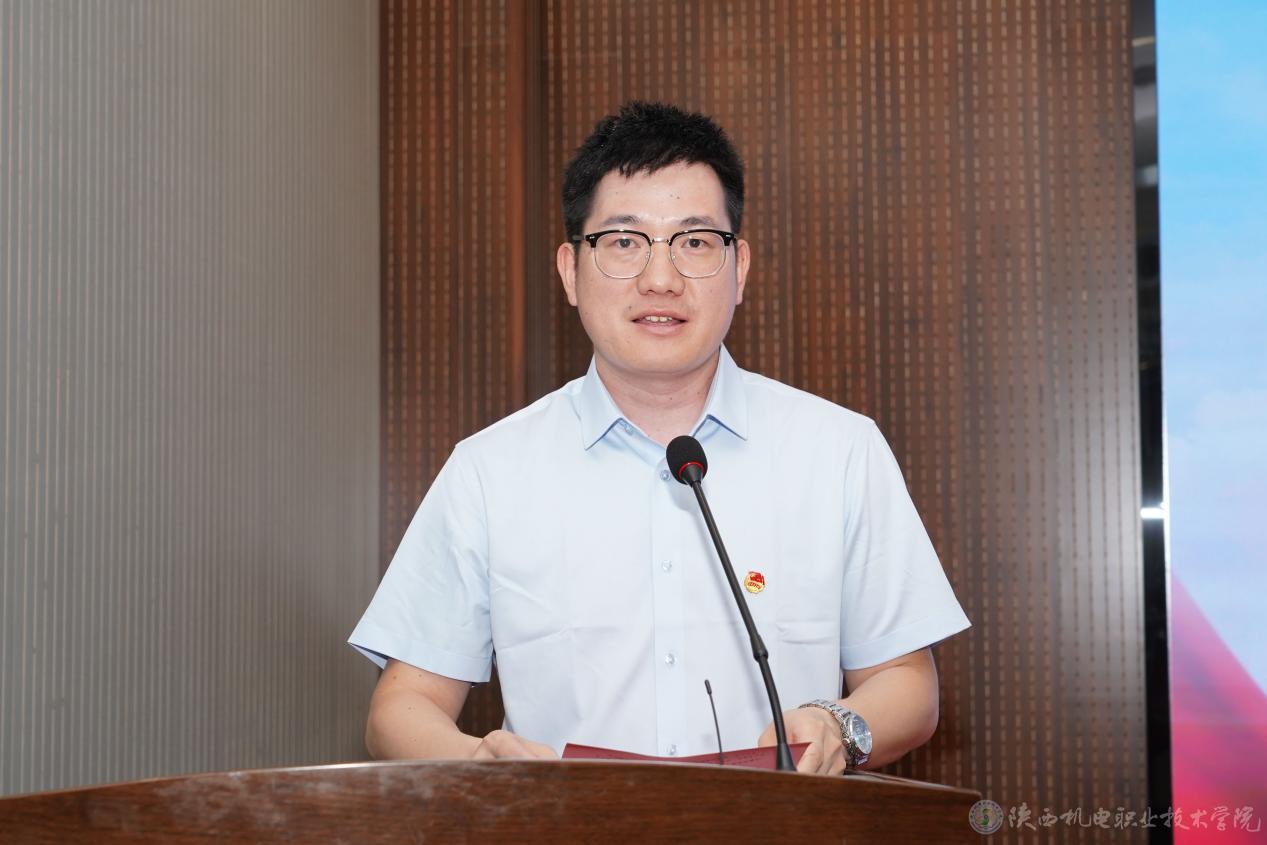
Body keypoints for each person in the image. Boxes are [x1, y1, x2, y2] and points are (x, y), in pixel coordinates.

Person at [349, 101, 970, 775]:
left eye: (695, 242)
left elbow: (908, 683)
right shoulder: (489, 471)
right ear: (570, 271)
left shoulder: (839, 451)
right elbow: (399, 707)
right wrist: (482, 764)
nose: (660, 279)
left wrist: (837, 726)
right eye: (624, 242)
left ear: (739, 268)